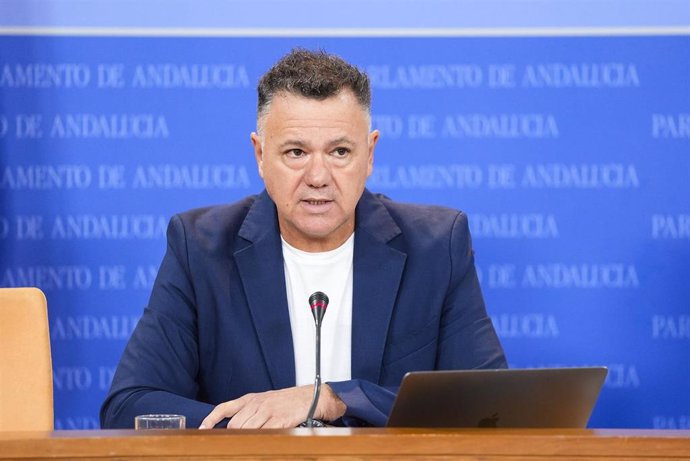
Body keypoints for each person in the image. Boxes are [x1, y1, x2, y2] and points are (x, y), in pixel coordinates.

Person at [100, 49, 507, 429]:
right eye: (296, 152)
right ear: (260, 155)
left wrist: (333, 399)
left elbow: (490, 405)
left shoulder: (435, 247)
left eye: (340, 152)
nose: (318, 176)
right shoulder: (202, 249)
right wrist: (262, 427)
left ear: (370, 154)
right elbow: (130, 405)